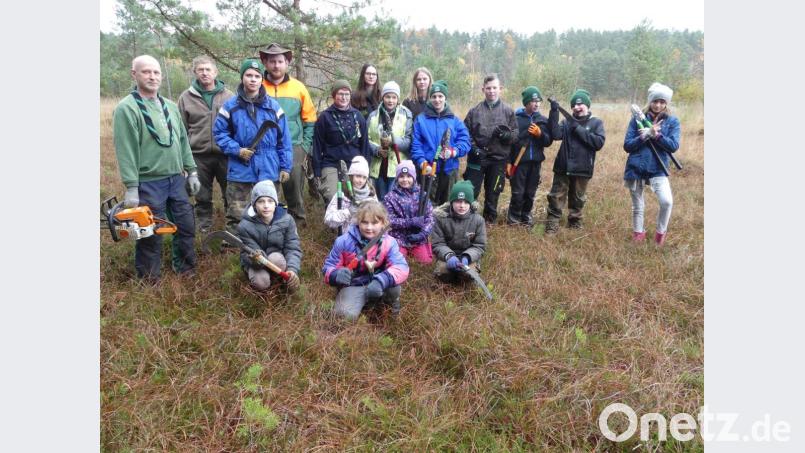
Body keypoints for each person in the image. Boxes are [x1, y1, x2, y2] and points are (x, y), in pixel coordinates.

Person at [112, 55, 200, 281]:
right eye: (146, 72)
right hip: (148, 182)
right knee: (150, 234)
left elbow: (182, 141)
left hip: (175, 179)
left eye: (156, 72)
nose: (152, 76)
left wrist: (191, 171)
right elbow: (126, 150)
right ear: (134, 74)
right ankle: (149, 280)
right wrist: (132, 187)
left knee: (186, 225)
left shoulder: (170, 106)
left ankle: (186, 270)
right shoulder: (127, 108)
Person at [213, 58, 292, 233]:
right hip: (241, 168)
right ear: (242, 78)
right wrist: (237, 150)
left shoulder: (274, 107)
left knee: (268, 210)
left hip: (269, 166)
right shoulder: (230, 107)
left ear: (262, 79)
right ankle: (234, 251)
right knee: (237, 212)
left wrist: (285, 166)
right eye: (249, 75)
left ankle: (268, 244)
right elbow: (219, 133)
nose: (253, 79)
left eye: (257, 76)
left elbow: (284, 139)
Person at [259, 43, 318, 224]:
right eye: (272, 61)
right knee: (267, 188)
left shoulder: (298, 88)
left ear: (287, 63)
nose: (276, 65)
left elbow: (310, 120)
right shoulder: (257, 86)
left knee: (294, 189)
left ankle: (298, 225)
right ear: (265, 63)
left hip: (294, 144)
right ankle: (267, 225)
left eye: (280, 61)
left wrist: (304, 145)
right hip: (264, 146)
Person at [322, 201, 409, 320]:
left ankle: (389, 305)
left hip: (379, 285)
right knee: (344, 315)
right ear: (358, 222)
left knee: (394, 288)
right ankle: (360, 302)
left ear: (383, 223)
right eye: (364, 222)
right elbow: (329, 267)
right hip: (354, 286)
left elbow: (401, 267)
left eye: (374, 223)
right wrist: (335, 274)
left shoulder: (389, 242)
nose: (369, 227)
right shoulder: (343, 241)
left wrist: (381, 281)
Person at [177, 55, 234, 233]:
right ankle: (203, 229)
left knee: (230, 194)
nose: (204, 73)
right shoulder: (186, 97)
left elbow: (236, 126)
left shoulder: (229, 96)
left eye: (208, 69)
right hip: (198, 156)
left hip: (225, 155)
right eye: (200, 70)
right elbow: (181, 131)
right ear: (195, 72)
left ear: (215, 72)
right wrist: (183, 161)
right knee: (201, 195)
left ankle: (232, 230)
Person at [623, 82, 680, 245]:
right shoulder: (636, 119)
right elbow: (627, 145)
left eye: (662, 102)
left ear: (666, 103)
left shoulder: (672, 122)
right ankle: (638, 235)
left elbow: (673, 146)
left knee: (666, 201)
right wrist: (644, 135)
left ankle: (659, 236)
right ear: (650, 102)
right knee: (638, 206)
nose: (658, 105)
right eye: (655, 101)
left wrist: (657, 136)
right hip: (636, 166)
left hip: (658, 167)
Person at [544, 89, 606, 234]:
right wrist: (554, 112)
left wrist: (577, 128)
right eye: (574, 105)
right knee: (556, 196)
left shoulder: (596, 123)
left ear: (587, 105)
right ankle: (552, 224)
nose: (577, 108)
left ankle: (575, 222)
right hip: (563, 166)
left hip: (583, 168)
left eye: (581, 104)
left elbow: (598, 143)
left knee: (578, 199)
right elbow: (555, 134)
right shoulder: (565, 122)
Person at [463, 74, 518, 224]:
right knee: (471, 190)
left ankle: (489, 221)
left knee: (493, 191)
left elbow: (515, 134)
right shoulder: (474, 111)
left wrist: (507, 136)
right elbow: (465, 133)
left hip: (498, 160)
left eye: (494, 88)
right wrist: (474, 149)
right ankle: (467, 219)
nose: (491, 91)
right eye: (488, 88)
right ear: (483, 89)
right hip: (477, 159)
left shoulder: (508, 111)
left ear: (500, 89)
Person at [410, 80, 471, 206]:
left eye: (440, 96)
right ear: (430, 98)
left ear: (445, 98)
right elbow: (416, 145)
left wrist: (454, 152)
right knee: (427, 206)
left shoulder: (455, 121)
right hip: (428, 170)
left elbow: (465, 142)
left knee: (448, 205)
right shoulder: (420, 120)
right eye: (434, 96)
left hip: (449, 170)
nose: (437, 100)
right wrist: (422, 163)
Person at [311, 79, 369, 204]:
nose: (344, 97)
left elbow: (364, 145)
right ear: (334, 96)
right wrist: (317, 171)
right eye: (340, 94)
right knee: (334, 199)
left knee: (355, 198)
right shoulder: (324, 117)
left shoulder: (358, 116)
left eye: (347, 94)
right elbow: (317, 146)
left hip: (354, 164)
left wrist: (365, 167)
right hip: (331, 163)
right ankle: (332, 222)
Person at [237, 180, 302, 292]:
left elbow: (292, 247)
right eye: (261, 201)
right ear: (254, 204)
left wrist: (292, 269)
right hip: (257, 264)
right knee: (261, 282)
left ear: (275, 203)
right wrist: (255, 259)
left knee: (276, 258)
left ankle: (279, 282)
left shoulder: (287, 220)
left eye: (270, 201)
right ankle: (265, 289)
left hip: (277, 259)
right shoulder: (244, 226)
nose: (266, 206)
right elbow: (246, 253)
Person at [506, 86, 553, 226]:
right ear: (526, 103)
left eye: (538, 101)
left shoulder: (542, 120)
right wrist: (508, 162)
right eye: (533, 101)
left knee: (530, 192)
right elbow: (509, 143)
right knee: (518, 192)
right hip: (519, 163)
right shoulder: (515, 119)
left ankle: (526, 217)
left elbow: (548, 141)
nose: (536, 104)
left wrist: (540, 134)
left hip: (536, 163)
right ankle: (514, 219)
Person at [431, 181, 487, 283]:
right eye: (458, 201)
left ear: (471, 203)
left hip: (469, 258)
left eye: (466, 202)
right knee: (442, 273)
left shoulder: (478, 220)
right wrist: (449, 256)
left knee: (468, 276)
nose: (462, 205)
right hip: (447, 257)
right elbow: (438, 243)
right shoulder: (441, 218)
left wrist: (467, 257)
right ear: (451, 202)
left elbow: (479, 246)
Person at [366, 81, 413, 200]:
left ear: (398, 98)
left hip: (397, 167)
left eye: (394, 97)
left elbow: (408, 141)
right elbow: (366, 140)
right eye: (387, 97)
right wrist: (377, 150)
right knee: (380, 201)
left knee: (395, 201)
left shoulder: (406, 114)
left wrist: (393, 142)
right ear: (383, 97)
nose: (390, 100)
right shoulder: (373, 116)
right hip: (378, 167)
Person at [383, 160, 434, 264]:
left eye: (408, 176)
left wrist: (423, 234)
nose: (405, 179)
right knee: (395, 261)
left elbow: (430, 218)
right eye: (401, 176)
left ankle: (420, 248)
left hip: (418, 237)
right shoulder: (390, 197)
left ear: (414, 177)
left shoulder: (423, 195)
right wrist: (409, 222)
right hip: (398, 238)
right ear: (397, 178)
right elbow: (389, 221)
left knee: (426, 262)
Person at [324, 156, 378, 233]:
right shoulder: (341, 195)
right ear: (351, 176)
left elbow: (378, 219)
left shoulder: (371, 194)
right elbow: (328, 220)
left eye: (364, 177)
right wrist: (348, 212)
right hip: (347, 240)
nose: (361, 181)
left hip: (368, 240)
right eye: (358, 176)